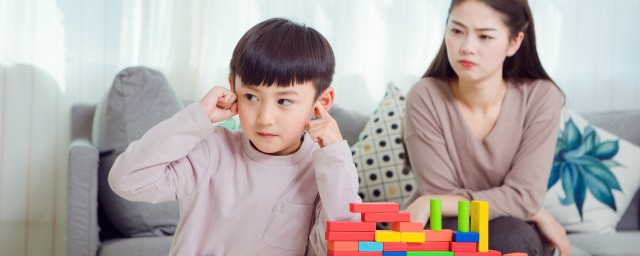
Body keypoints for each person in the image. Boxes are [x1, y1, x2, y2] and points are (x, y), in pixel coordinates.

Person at [108, 18, 361, 255]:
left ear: (322, 101)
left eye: (284, 101)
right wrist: (196, 118)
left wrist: (336, 158)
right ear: (233, 89)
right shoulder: (211, 150)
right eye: (251, 97)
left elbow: (341, 248)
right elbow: (126, 179)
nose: (264, 118)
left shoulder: (323, 171)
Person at [403, 0, 570, 255]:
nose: (467, 48)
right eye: (457, 31)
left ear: (514, 42)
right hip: (444, 224)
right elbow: (439, 196)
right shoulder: (425, 96)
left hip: (512, 229)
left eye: (485, 36)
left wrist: (527, 204)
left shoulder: (541, 97)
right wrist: (530, 206)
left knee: (508, 238)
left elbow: (524, 195)